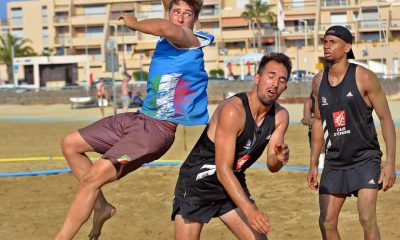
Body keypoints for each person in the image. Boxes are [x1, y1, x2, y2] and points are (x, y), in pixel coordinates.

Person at [55, 0, 214, 239]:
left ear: (194, 20)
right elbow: (165, 24)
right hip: (138, 119)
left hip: (155, 132)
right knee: (70, 144)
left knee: (90, 180)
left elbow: (165, 28)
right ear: (168, 12)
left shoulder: (190, 40)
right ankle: (101, 207)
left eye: (187, 14)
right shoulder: (168, 40)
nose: (180, 17)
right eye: (176, 11)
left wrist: (135, 23)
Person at [172, 53, 292, 240]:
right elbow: (222, 169)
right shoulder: (232, 111)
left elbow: (272, 165)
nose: (275, 83)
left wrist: (279, 159)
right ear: (257, 78)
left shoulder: (280, 117)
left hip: (231, 184)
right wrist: (250, 211)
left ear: (285, 87)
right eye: (271, 75)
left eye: (282, 80)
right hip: (199, 183)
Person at [307, 25, 396, 240]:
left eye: (333, 42)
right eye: (325, 41)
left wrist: (391, 163)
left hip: (365, 158)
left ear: (347, 47)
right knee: (326, 222)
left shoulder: (364, 77)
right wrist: (312, 163)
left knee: (367, 219)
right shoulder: (318, 81)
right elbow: (318, 120)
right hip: (335, 162)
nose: (327, 46)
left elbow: (386, 119)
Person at [301, 91, 325, 169]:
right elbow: (306, 119)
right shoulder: (309, 102)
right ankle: (321, 161)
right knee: (319, 131)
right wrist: (318, 121)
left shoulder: (328, 98)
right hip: (315, 132)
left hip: (329, 129)